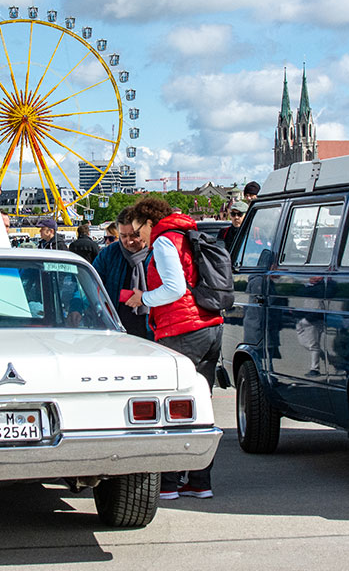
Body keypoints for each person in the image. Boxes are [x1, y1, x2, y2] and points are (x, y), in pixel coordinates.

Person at [124, 197, 223, 500]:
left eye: (138, 228)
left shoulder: (165, 242)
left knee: (171, 405)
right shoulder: (187, 234)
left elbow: (174, 288)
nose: (137, 236)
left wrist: (143, 298)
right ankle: (199, 480)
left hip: (181, 329)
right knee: (201, 404)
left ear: (148, 221)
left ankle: (168, 482)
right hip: (209, 324)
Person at [91, 207, 152, 339]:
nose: (128, 241)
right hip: (116, 328)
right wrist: (76, 306)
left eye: (134, 235)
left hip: (151, 330)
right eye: (123, 236)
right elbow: (90, 283)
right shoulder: (109, 254)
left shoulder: (157, 253)